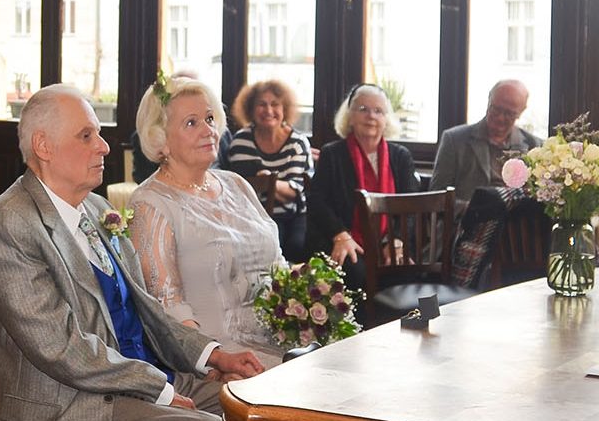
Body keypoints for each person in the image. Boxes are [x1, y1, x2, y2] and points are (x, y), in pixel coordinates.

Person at [0, 84, 266, 421]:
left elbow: (146, 310)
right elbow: (60, 349)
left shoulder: (96, 207)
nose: (104, 145)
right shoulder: (11, 223)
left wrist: (211, 355)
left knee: (255, 407)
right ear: (43, 146)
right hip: (69, 408)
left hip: (131, 380)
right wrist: (159, 389)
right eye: (86, 136)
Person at [132, 76, 286, 367]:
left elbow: (278, 265)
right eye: (191, 123)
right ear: (160, 139)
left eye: (210, 118)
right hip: (218, 362)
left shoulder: (237, 184)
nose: (208, 131)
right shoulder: (150, 204)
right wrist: (215, 360)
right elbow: (166, 310)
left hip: (283, 343)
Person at [308, 84, 420, 296]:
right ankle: (361, 329)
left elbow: (411, 207)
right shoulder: (332, 154)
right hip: (346, 240)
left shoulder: (401, 156)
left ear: (386, 119)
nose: (371, 116)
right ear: (349, 117)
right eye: (363, 109)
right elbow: (317, 201)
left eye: (378, 111)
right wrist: (340, 235)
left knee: (403, 271)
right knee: (354, 272)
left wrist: (397, 240)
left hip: (389, 242)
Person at [222, 79, 314, 261]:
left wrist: (265, 179)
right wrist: (275, 184)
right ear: (250, 109)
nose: (269, 111)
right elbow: (242, 192)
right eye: (261, 104)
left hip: (295, 215)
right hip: (255, 216)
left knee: (299, 246)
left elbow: (294, 192)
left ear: (285, 109)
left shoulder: (298, 142)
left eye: (275, 104)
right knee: (267, 245)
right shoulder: (241, 142)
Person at [431, 79, 540, 212]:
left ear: (521, 112)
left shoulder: (534, 146)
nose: (500, 118)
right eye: (496, 109)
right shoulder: (454, 140)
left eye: (509, 114)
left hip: (514, 226)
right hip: (467, 223)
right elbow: (437, 195)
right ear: (489, 101)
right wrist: (476, 209)